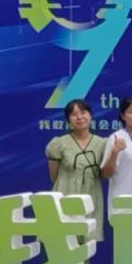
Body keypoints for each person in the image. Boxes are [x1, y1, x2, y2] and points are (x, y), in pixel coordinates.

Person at [46, 99, 107, 241]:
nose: (79, 117)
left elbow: (105, 173)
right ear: (68, 120)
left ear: (90, 115)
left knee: (86, 243)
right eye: (74, 114)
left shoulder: (102, 143)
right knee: (64, 241)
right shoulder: (59, 143)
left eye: (83, 112)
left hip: (91, 196)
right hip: (65, 194)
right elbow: (54, 177)